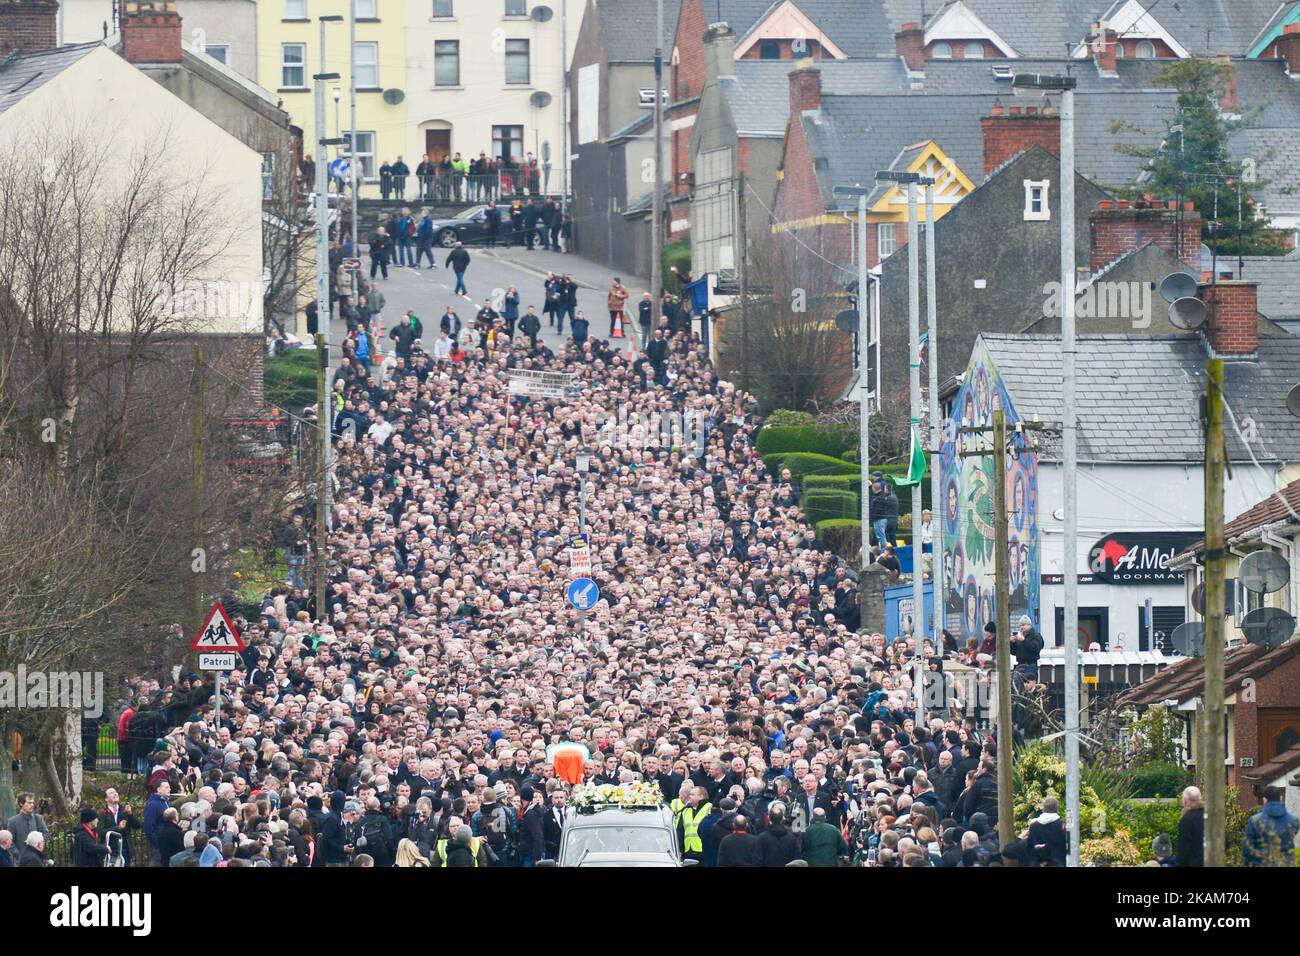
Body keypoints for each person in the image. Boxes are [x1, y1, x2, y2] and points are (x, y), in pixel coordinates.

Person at [1242, 785, 1299, 867]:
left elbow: (1247, 849)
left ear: (1264, 800)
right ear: (1281, 798)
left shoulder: (1255, 820)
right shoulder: (1293, 820)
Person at [754, 803, 799, 867]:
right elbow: (796, 860)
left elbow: (758, 860)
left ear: (769, 818)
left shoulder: (762, 838)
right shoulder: (792, 838)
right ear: (782, 818)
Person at [1026, 796, 1067, 866]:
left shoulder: (1033, 826)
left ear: (1043, 809)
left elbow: (1029, 847)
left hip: (1039, 863)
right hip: (1059, 863)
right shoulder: (1062, 825)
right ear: (1057, 808)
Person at [1176, 786, 1204, 867]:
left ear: (1185, 801)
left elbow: (1184, 849)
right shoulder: (1212, 816)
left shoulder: (1186, 820)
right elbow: (1225, 839)